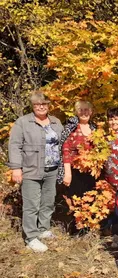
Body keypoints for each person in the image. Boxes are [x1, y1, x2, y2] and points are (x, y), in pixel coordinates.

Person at [8, 91, 63, 252]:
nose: (41, 107)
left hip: (52, 169)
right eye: (37, 104)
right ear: (33, 106)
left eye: (44, 104)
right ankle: (31, 237)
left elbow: (63, 144)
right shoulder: (23, 122)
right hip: (31, 169)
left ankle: (43, 228)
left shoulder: (55, 122)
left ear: (48, 105)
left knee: (48, 201)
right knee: (31, 204)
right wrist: (16, 168)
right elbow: (15, 145)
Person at [58, 101, 96, 202]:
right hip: (76, 173)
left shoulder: (95, 129)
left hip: (93, 172)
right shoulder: (71, 128)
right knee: (77, 201)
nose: (84, 113)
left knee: (92, 201)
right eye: (81, 110)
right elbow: (65, 151)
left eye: (86, 110)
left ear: (91, 112)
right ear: (77, 112)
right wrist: (67, 173)